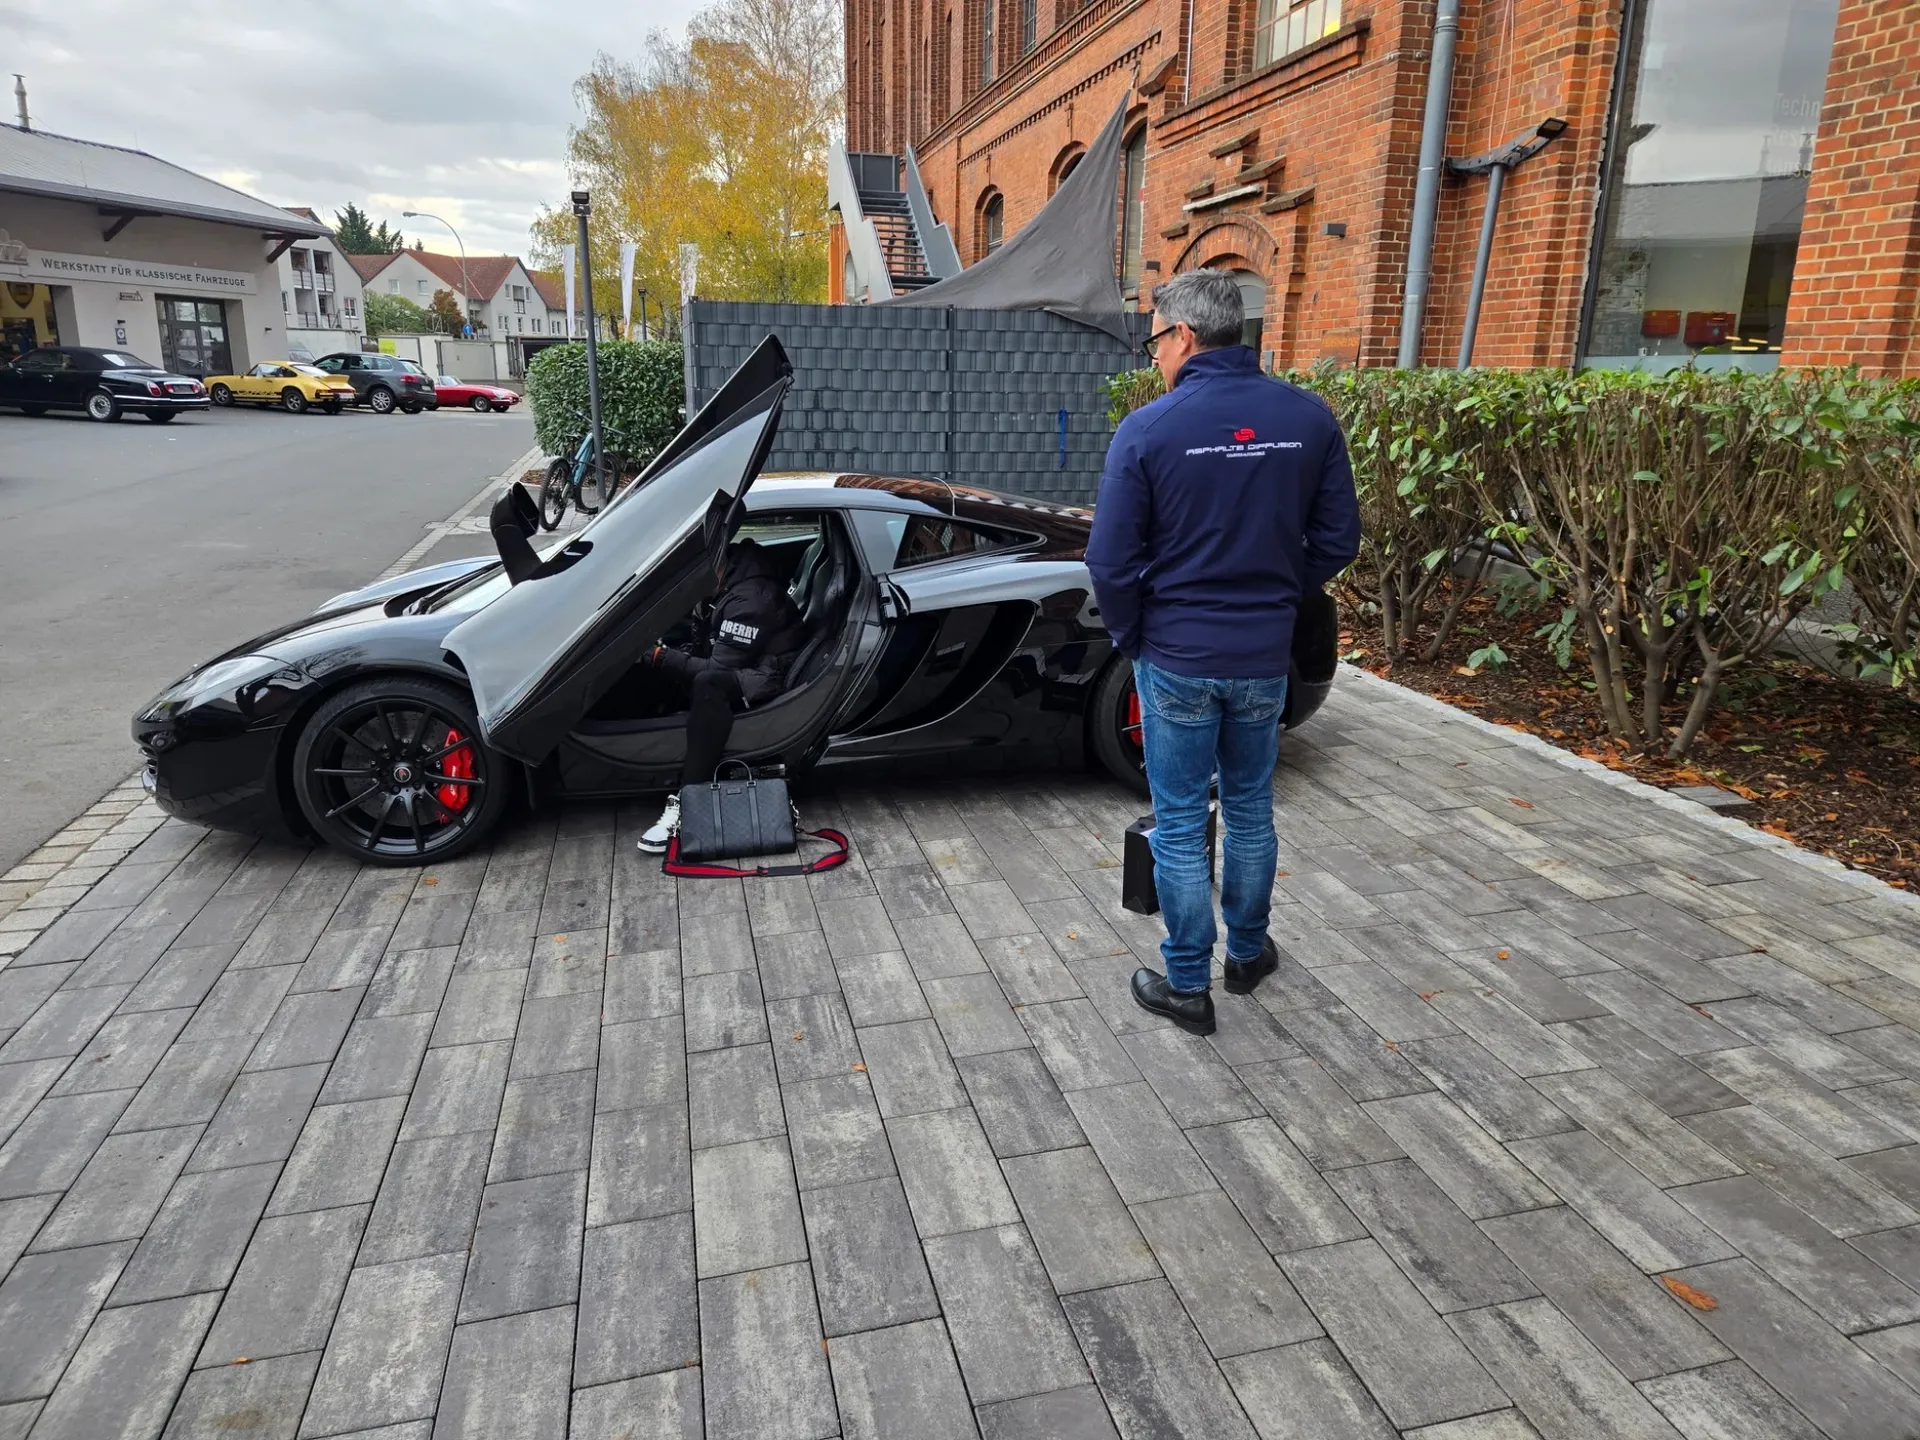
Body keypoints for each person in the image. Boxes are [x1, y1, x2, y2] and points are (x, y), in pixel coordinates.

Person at [1087, 270, 1361, 1036]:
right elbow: (1338, 540)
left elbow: (1109, 563)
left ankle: (1186, 985)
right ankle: (1246, 954)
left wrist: (1132, 635)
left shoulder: (1148, 430)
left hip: (1175, 653)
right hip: (1261, 657)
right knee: (1247, 809)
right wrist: (1276, 591)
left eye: (1155, 342)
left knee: (1179, 820)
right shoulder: (1308, 419)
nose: (1153, 359)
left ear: (1182, 336)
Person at [637, 538, 806, 852]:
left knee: (707, 685)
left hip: (766, 677)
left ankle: (688, 798)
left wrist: (657, 655)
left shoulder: (751, 601)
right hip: (747, 660)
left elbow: (715, 666)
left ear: (716, 563)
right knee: (670, 662)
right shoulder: (727, 581)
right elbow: (704, 638)